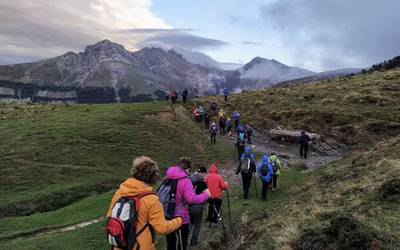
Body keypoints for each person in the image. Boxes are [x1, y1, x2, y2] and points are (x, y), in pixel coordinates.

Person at [106, 156, 182, 250]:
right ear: (153, 177)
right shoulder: (151, 199)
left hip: (119, 245)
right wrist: (179, 220)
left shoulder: (121, 192)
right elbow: (162, 228)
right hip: (141, 246)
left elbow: (110, 215)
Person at [165, 157, 211, 250]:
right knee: (182, 243)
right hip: (181, 217)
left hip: (167, 214)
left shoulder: (167, 177)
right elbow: (191, 199)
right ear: (188, 168)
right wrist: (205, 195)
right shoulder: (185, 181)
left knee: (170, 242)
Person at [189, 167, 208, 247]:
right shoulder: (202, 182)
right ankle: (194, 242)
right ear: (203, 173)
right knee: (197, 224)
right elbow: (206, 194)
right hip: (198, 205)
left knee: (190, 222)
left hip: (189, 205)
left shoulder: (189, 179)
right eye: (205, 173)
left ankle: (183, 239)